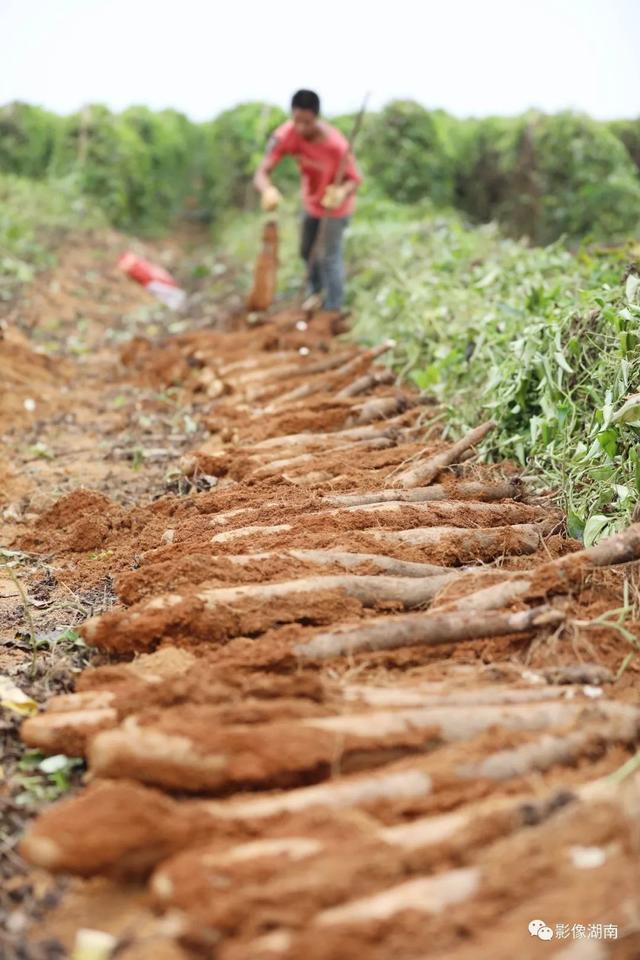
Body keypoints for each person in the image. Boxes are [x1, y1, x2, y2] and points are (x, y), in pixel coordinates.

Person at [254, 89, 362, 312]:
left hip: (336, 207)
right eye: (297, 121)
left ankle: (333, 310)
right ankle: (316, 293)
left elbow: (355, 179)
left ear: (317, 117)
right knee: (306, 251)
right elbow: (262, 172)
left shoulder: (336, 145)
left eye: (307, 122)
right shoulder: (285, 135)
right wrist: (267, 190)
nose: (301, 127)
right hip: (311, 202)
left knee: (328, 256)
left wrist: (341, 192)